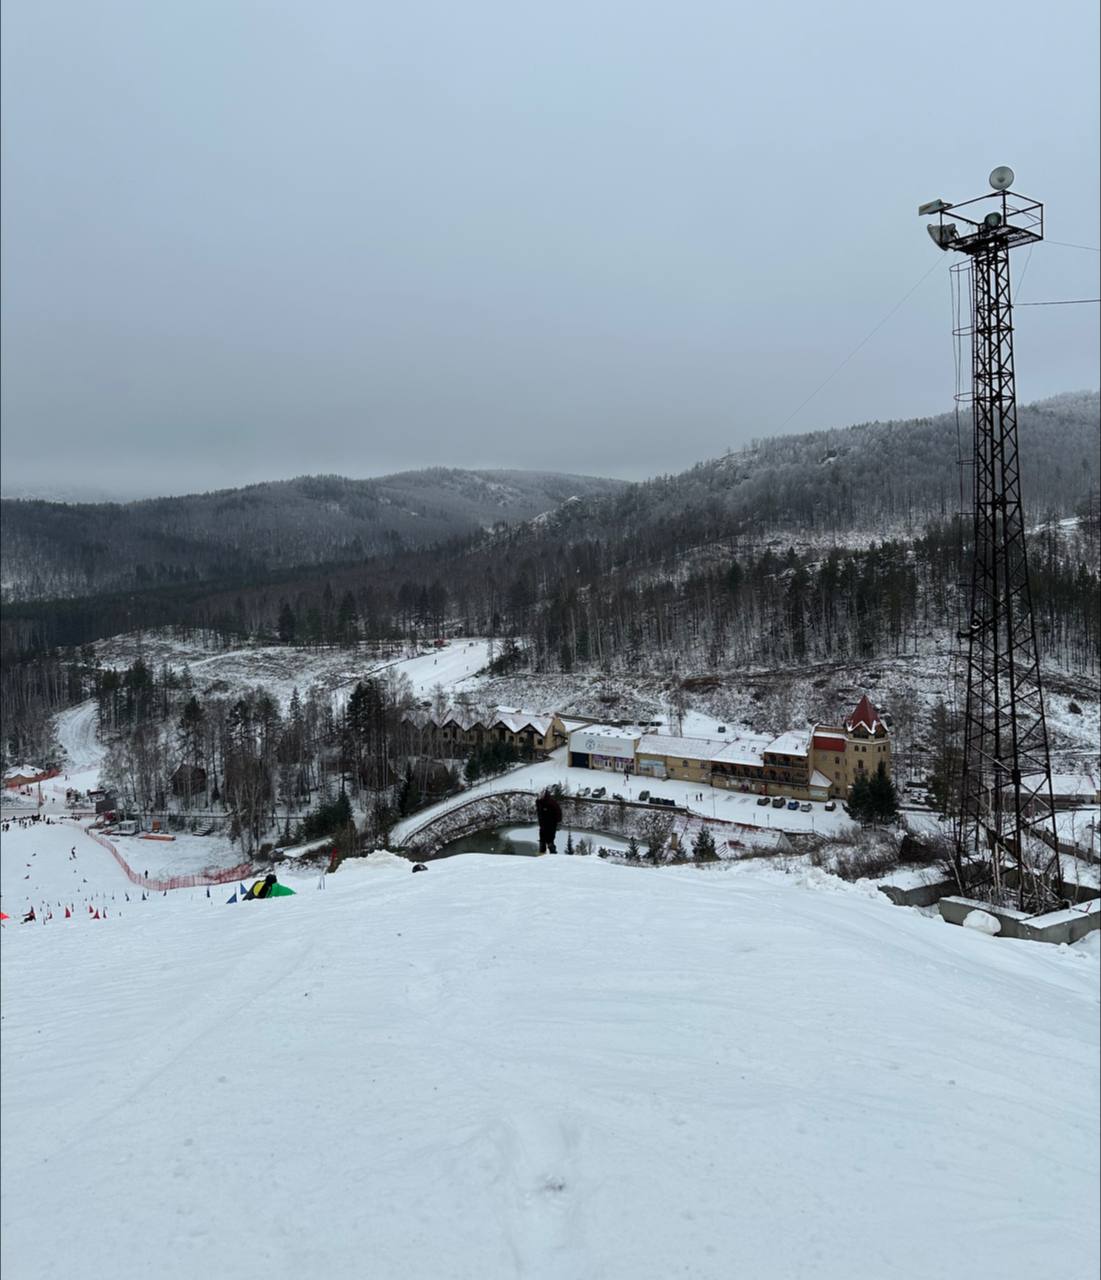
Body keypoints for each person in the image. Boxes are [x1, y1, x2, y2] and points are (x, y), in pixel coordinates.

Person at [535, 789, 562, 854]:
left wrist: (558, 822)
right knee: (542, 842)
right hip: (543, 825)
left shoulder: (551, 802)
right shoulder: (539, 802)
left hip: (551, 825)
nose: (539, 796)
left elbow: (559, 812)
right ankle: (541, 857)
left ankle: (553, 856)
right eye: (538, 795)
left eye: (541, 795)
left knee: (550, 842)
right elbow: (539, 813)